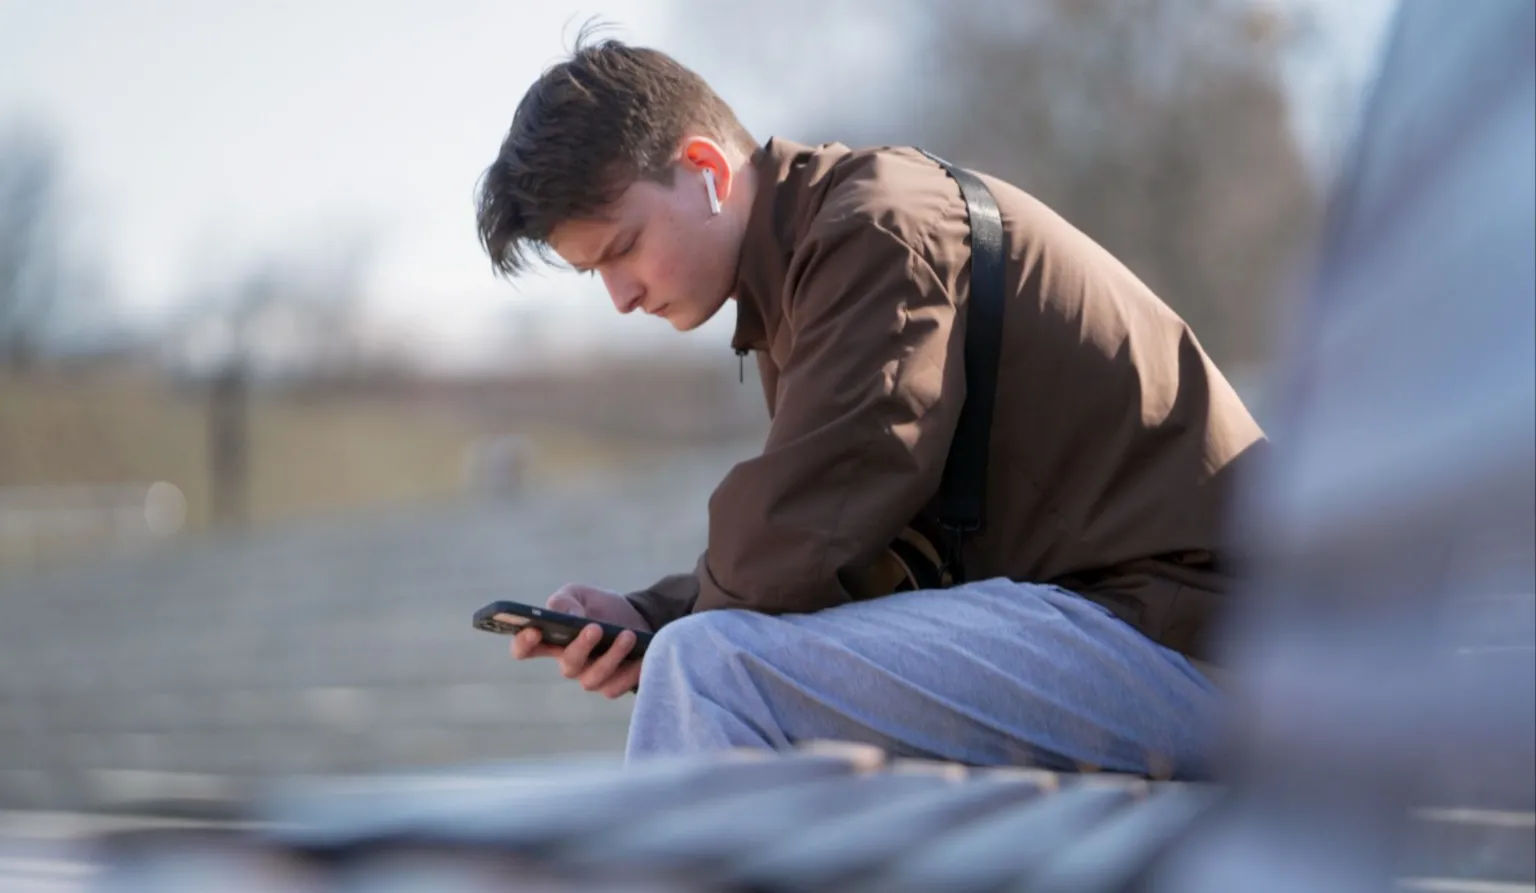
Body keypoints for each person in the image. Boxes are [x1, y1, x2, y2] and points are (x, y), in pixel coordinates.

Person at [473, 33, 1267, 779]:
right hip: (1127, 634)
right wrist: (649, 613)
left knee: (711, 668)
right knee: (716, 655)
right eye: (594, 274)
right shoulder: (810, 260)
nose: (619, 296)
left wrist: (665, 627)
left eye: (622, 248)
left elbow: (812, 526)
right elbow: (840, 539)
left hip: (1216, 654)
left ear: (707, 169)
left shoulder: (879, 231)